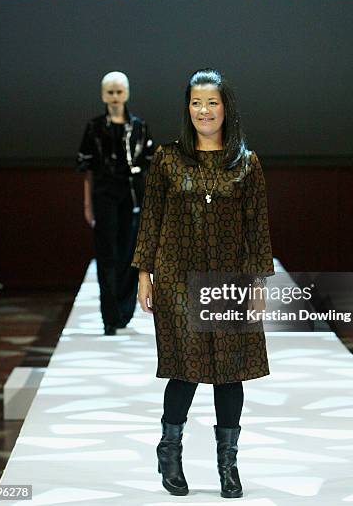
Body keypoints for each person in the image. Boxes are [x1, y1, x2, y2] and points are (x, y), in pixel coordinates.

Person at [132, 68, 274, 499]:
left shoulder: (246, 162)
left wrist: (258, 284)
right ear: (187, 108)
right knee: (186, 368)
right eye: (196, 102)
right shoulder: (168, 158)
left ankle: (227, 467)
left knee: (230, 372)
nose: (204, 110)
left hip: (229, 277)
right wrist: (144, 273)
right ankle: (169, 451)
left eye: (212, 102)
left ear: (226, 108)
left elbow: (257, 227)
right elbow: (152, 215)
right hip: (176, 274)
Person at [77, 72, 154, 335]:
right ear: (102, 94)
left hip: (133, 197)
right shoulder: (94, 127)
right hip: (104, 196)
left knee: (130, 254)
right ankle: (110, 316)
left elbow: (148, 168)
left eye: (119, 92)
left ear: (127, 93)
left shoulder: (140, 127)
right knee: (107, 255)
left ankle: (124, 312)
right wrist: (88, 205)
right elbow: (87, 170)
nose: (114, 97)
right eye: (110, 92)